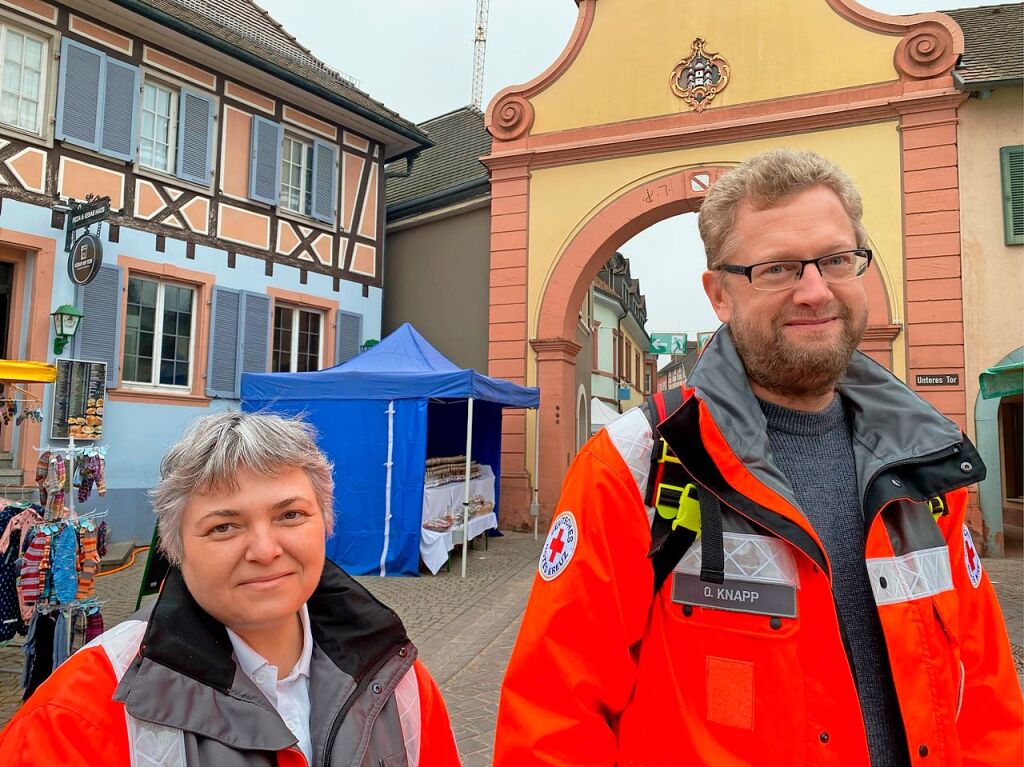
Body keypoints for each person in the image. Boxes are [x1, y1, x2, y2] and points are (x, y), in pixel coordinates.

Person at [494, 149, 1023, 766]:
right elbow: (553, 722)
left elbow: (986, 699)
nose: (815, 290)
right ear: (719, 294)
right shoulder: (639, 464)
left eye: (836, 259)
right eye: (777, 269)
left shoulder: (926, 464)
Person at [0, 411, 462, 767]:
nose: (264, 549)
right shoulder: (78, 714)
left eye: (290, 515)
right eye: (224, 526)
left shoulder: (398, 679)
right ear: (175, 548)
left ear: (327, 524)